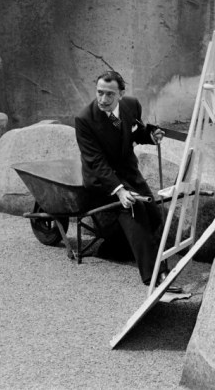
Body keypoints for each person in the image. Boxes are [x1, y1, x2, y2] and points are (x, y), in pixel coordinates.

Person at [74, 70, 168, 287]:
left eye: (109, 94)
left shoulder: (131, 105)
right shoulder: (85, 119)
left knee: (154, 215)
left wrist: (151, 136)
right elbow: (96, 162)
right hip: (102, 180)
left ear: (121, 94)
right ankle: (155, 276)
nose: (103, 99)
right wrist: (120, 191)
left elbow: (135, 132)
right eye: (99, 93)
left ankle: (114, 248)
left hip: (128, 172)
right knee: (135, 211)